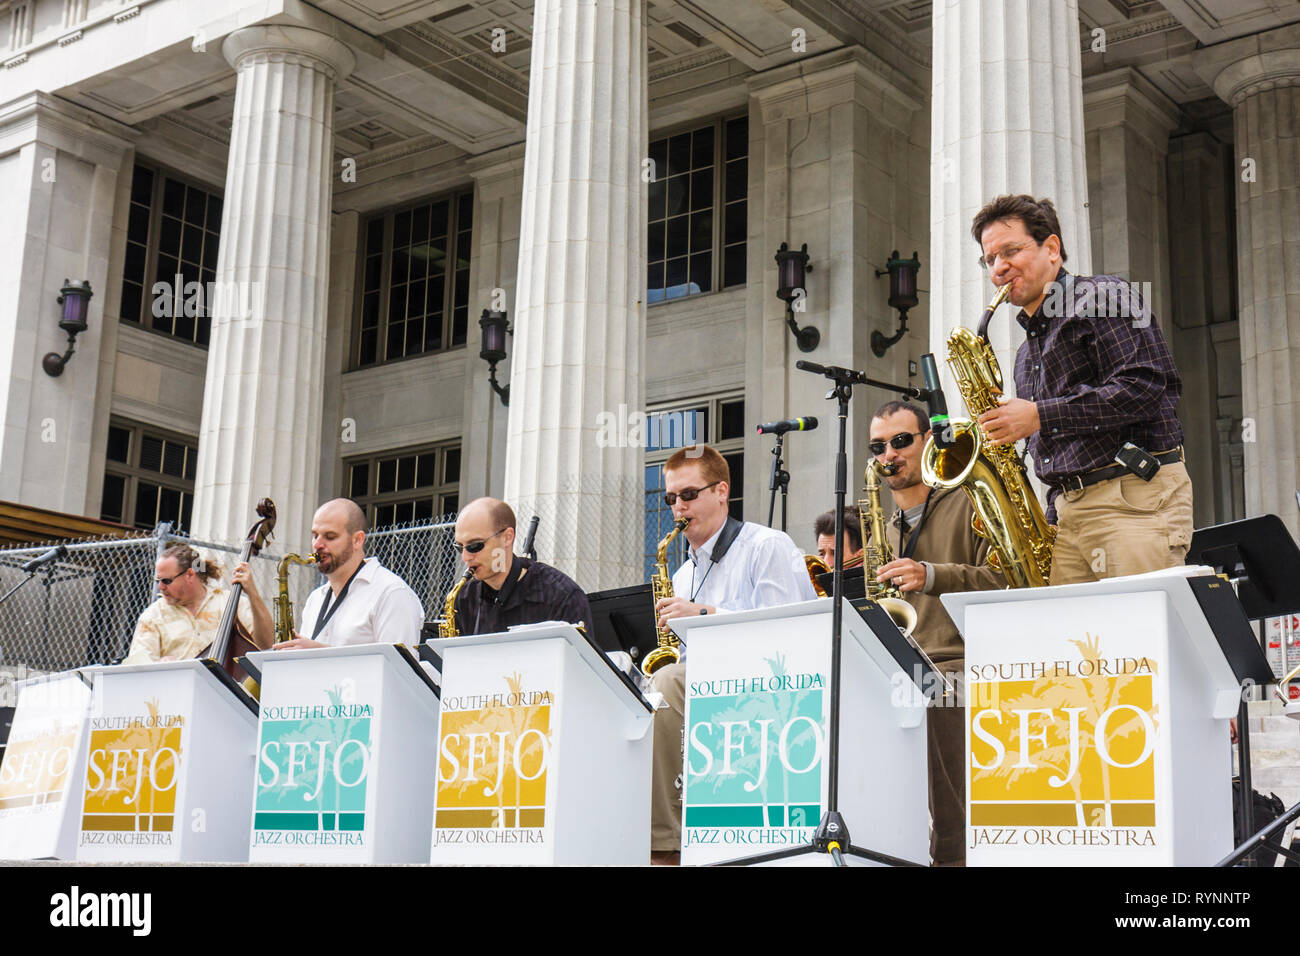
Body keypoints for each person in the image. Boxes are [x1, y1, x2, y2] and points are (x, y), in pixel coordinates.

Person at [970, 194, 1194, 585]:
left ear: (1051, 248)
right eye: (990, 259)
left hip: (1131, 499)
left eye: (1010, 251)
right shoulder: (1026, 355)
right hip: (1069, 515)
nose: (999, 267)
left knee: (1137, 641)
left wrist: (1039, 414)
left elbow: (1146, 387)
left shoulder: (1103, 295)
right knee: (1072, 646)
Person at [650, 445, 817, 864]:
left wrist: (701, 614)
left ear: (722, 491)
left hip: (771, 686)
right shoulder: (684, 573)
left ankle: (663, 844)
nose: (678, 508)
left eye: (688, 495)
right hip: (712, 686)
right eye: (670, 499)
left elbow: (785, 632)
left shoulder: (767, 545)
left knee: (666, 686)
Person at [871, 401, 1005, 865]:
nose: (889, 454)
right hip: (901, 668)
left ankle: (952, 856)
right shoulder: (882, 530)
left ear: (928, 441)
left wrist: (933, 574)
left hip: (959, 661)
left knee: (934, 695)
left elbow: (1008, 579)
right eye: (878, 447)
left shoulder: (970, 502)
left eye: (901, 441)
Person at [273, 498, 424, 648]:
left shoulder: (391, 593)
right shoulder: (315, 599)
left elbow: (399, 668)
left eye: (330, 536)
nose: (317, 545)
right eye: (315, 536)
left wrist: (320, 653)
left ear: (357, 540)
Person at [448, 497, 591, 634]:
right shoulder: (464, 598)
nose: (465, 557)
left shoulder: (562, 595)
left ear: (507, 537)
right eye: (459, 547)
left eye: (475, 546)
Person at [122, 544, 272, 664]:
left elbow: (267, 645)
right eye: (158, 581)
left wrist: (253, 593)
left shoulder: (231, 603)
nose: (160, 587)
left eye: (166, 581)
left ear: (189, 575)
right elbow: (137, 667)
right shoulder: (153, 615)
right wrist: (159, 665)